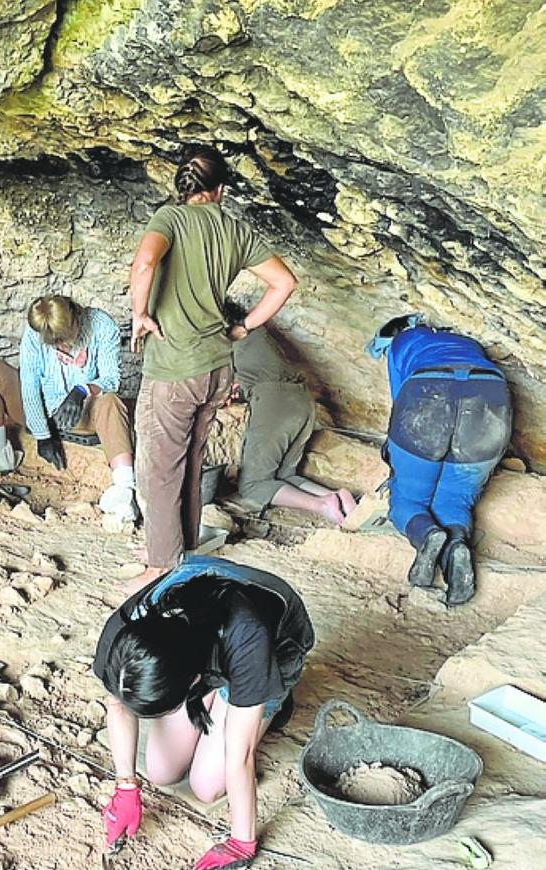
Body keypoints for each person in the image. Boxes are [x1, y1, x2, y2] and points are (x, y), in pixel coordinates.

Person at [129, 146, 298, 585]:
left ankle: (161, 567)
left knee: (160, 468)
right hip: (217, 367)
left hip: (173, 367)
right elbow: (284, 283)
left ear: (183, 186)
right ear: (220, 189)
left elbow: (146, 260)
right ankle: (182, 549)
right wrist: (242, 328)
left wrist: (139, 314)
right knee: (188, 461)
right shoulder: (234, 230)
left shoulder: (170, 219)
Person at [92, 555, 314, 870]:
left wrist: (241, 842)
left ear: (194, 680)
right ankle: (224, 701)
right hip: (198, 630)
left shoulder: (248, 638)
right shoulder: (127, 630)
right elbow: (118, 704)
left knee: (207, 786)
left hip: (275, 642)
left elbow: (241, 756)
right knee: (161, 771)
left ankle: (270, 696)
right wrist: (126, 785)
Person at [366, 315, 512, 606]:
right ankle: (454, 546)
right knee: (455, 499)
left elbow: (400, 401)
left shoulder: (400, 344)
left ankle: (428, 536)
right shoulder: (465, 344)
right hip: (490, 401)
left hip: (428, 395)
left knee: (407, 500)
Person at [0, 295, 138, 522]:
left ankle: (125, 487)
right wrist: (42, 434)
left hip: (80, 413)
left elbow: (112, 379)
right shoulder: (37, 332)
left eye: (63, 341)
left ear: (76, 321)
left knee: (111, 401)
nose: (61, 347)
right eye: (54, 344)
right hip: (42, 409)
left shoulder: (102, 325)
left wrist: (82, 390)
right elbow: (29, 384)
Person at [224, 300, 356, 524]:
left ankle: (322, 505)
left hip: (275, 402)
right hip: (301, 400)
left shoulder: (230, 337)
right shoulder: (257, 334)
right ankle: (336, 497)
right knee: (285, 475)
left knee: (253, 485)